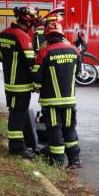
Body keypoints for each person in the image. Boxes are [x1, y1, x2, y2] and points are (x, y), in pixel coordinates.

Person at [34, 21, 82, 168]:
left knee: (55, 129)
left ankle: (57, 161)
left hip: (51, 101)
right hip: (69, 100)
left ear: (47, 37)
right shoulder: (74, 51)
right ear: (62, 35)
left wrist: (37, 88)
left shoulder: (44, 52)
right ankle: (74, 161)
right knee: (69, 129)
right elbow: (78, 72)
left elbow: (37, 78)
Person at [0, 6, 40, 158]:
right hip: (21, 85)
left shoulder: (3, 34)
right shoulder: (23, 37)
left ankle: (20, 144)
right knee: (17, 115)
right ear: (27, 22)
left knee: (16, 112)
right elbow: (31, 62)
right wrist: (38, 81)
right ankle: (17, 148)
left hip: (9, 83)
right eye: (32, 23)